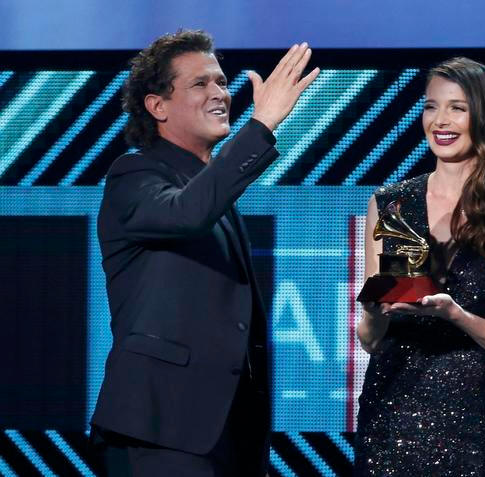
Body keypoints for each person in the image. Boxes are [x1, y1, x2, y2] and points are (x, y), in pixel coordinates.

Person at [89, 30, 319, 476]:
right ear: (157, 106)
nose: (220, 93)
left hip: (226, 435)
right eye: (200, 83)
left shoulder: (213, 192)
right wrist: (261, 126)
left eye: (221, 82)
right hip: (160, 430)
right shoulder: (133, 175)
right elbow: (186, 214)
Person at [354, 57, 485, 476]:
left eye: (457, 108)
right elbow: (371, 340)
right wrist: (373, 312)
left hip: (477, 429)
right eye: (431, 106)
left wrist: (456, 315)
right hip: (390, 421)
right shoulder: (392, 205)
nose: (440, 121)